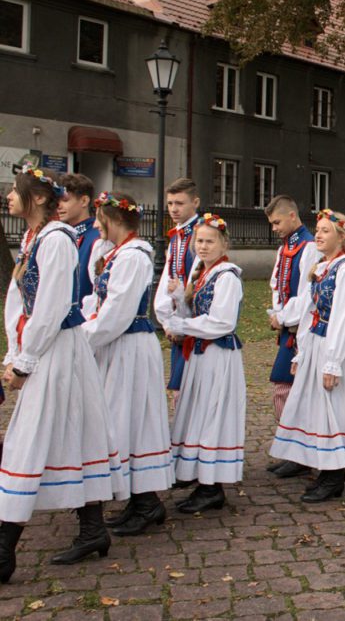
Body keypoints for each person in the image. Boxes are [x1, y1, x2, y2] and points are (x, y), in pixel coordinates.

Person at [0, 166, 125, 582]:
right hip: (52, 347)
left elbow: (51, 306)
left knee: (28, 439)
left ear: (36, 198)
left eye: (15, 192)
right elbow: (19, 301)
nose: (8, 197)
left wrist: (26, 360)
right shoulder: (35, 238)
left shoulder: (55, 240)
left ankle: (4, 548)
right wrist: (15, 350)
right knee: (77, 432)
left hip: (58, 348)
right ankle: (93, 529)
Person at [82, 192, 174, 536]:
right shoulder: (114, 253)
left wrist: (82, 340)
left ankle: (146, 501)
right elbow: (98, 300)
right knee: (122, 419)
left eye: (98, 218)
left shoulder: (134, 256)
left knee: (132, 418)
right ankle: (139, 498)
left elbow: (117, 312)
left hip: (130, 346)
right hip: (116, 346)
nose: (94, 225)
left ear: (114, 219)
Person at [270, 210, 345, 501]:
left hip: (338, 346)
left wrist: (333, 361)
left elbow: (344, 317)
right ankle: (324, 469)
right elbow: (309, 310)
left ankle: (335, 477)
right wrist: (301, 353)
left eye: (326, 230)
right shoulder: (322, 267)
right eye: (318, 230)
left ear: (342, 235)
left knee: (335, 408)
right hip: (316, 343)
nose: (319, 234)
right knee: (318, 408)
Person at [165, 214, 246, 513]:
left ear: (223, 243)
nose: (203, 246)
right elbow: (193, 311)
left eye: (210, 241)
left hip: (217, 356)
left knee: (212, 415)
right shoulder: (201, 273)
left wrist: (182, 326)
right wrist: (178, 297)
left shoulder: (227, 275)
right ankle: (197, 474)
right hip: (199, 355)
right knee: (197, 413)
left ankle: (212, 486)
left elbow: (222, 322)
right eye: (199, 241)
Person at [264, 195, 320, 479]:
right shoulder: (285, 246)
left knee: (286, 388)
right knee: (287, 388)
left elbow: (307, 292)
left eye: (277, 222)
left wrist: (285, 317)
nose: (274, 228)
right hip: (288, 326)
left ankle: (300, 450)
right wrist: (276, 312)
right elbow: (277, 284)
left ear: (292, 216)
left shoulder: (309, 247)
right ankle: (293, 449)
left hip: (301, 328)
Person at [154, 178, 201, 396]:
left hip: (194, 319)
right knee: (178, 387)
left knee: (192, 387)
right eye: (170, 203)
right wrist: (167, 320)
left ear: (195, 202)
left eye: (180, 203)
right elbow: (168, 277)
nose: (173, 208)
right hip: (178, 317)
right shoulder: (177, 236)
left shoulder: (201, 235)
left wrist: (183, 319)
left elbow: (198, 277)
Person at [58, 173, 111, 317]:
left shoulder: (97, 238)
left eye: (65, 200)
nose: (59, 206)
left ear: (84, 201)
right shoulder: (63, 236)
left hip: (85, 317)